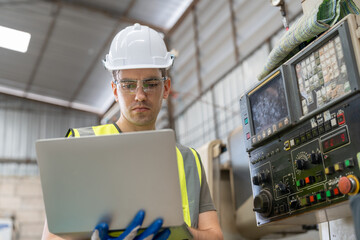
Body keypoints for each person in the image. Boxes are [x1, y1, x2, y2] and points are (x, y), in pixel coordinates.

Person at [41, 23, 223, 240]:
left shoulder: (189, 160)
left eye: (151, 83)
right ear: (115, 90)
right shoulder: (78, 146)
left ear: (165, 88)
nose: (139, 95)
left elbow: (215, 236)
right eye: (128, 85)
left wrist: (179, 232)